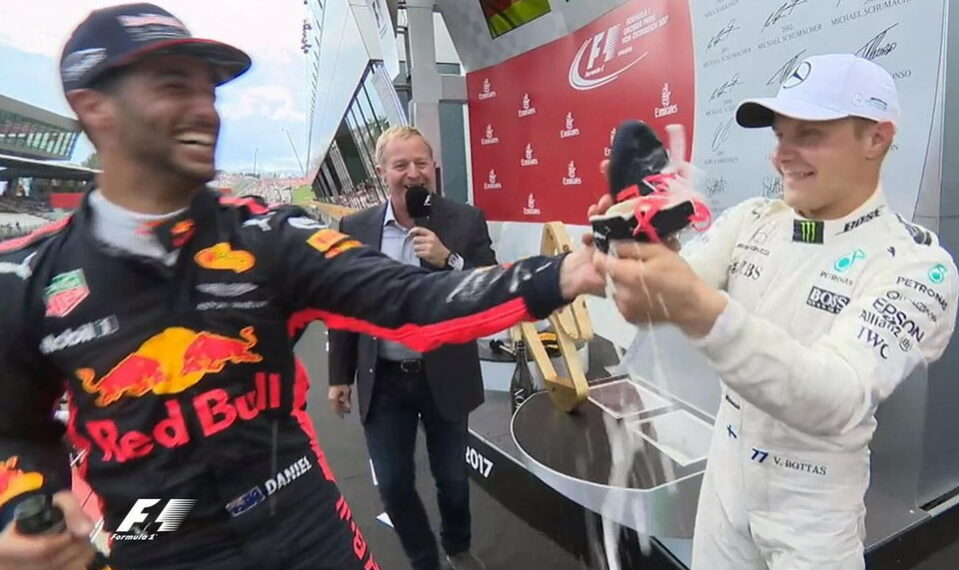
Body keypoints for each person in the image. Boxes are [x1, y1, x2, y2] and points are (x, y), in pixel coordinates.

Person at [0, 4, 602, 570]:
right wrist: (25, 507)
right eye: (173, 87)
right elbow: (13, 429)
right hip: (156, 531)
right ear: (95, 108)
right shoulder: (26, 277)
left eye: (209, 91)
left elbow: (408, 300)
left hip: (295, 511)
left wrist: (567, 271)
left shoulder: (268, 236)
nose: (206, 110)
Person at [592, 53, 959, 569]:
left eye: (808, 134)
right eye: (780, 135)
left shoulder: (918, 266)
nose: (782, 155)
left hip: (812, 504)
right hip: (725, 477)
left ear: (876, 139)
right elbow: (654, 303)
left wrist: (703, 310)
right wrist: (628, 244)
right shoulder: (753, 220)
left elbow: (837, 397)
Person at [328, 126, 494, 570]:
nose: (413, 173)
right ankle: (424, 560)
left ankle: (457, 545)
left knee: (453, 480)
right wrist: (339, 375)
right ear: (382, 172)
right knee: (393, 484)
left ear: (433, 167)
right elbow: (343, 304)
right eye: (400, 165)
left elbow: (492, 287)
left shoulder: (464, 220)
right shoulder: (355, 228)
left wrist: (450, 260)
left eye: (421, 163)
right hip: (383, 380)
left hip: (446, 374)